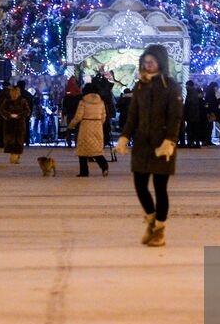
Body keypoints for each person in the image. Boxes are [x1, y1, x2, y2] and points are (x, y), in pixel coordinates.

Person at [116, 45, 182, 247]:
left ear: (160, 63)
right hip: (143, 144)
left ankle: (159, 230)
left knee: (160, 188)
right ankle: (151, 220)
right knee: (140, 186)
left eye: (151, 62)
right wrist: (125, 136)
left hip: (162, 144)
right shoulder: (140, 86)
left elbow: (175, 116)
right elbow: (133, 115)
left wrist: (170, 140)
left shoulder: (170, 86)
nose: (148, 66)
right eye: (145, 62)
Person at [69, 82, 110, 177]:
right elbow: (104, 116)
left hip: (86, 126)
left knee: (83, 150)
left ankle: (84, 171)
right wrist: (99, 123)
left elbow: (78, 116)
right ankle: (104, 166)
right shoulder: (101, 102)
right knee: (96, 149)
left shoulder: (83, 102)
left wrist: (71, 125)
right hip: (97, 126)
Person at [0, 83, 31, 163]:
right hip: (10, 124)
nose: (14, 95)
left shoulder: (23, 101)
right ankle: (13, 155)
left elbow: (27, 111)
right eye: (13, 93)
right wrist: (8, 115)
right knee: (11, 141)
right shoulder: (7, 101)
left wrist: (20, 115)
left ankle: (17, 156)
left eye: (16, 93)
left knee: (19, 141)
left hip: (19, 124)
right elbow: (1, 110)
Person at [182, 79, 206, 148]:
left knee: (191, 130)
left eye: (187, 86)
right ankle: (196, 142)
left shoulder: (190, 93)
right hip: (196, 115)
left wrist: (185, 114)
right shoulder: (195, 92)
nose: (186, 88)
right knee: (195, 130)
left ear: (189, 86)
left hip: (192, 115)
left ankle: (191, 142)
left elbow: (188, 105)